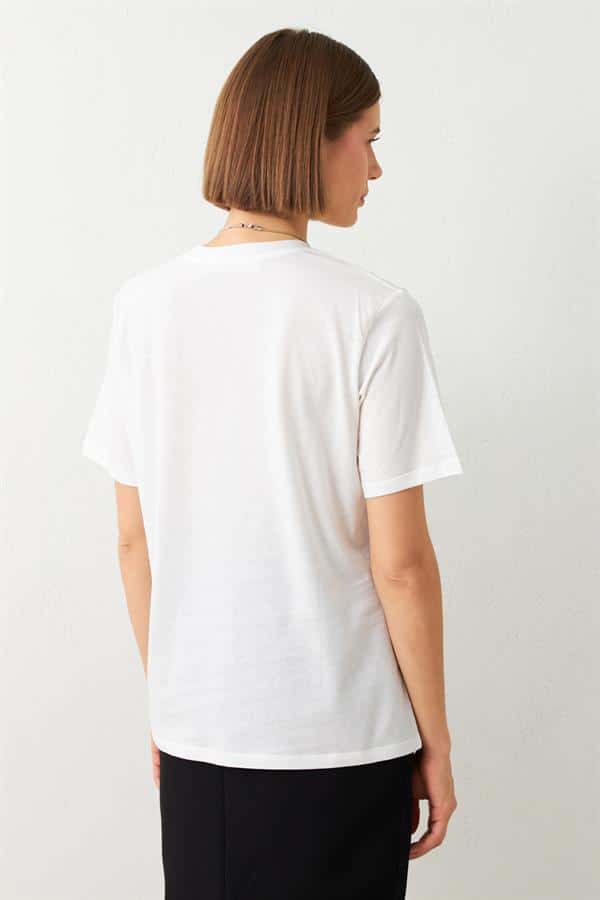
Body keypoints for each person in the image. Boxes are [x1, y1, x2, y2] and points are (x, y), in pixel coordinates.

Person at [82, 27, 462, 900]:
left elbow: (134, 542)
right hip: (344, 741)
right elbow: (400, 564)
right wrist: (435, 739)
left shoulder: (143, 307)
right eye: (367, 139)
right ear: (310, 139)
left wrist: (170, 698)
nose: (375, 168)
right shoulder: (374, 315)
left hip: (197, 736)